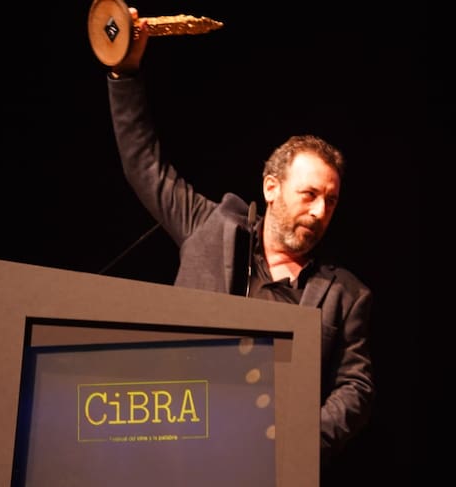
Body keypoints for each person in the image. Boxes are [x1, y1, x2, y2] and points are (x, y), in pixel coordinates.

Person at [106, 7, 375, 468]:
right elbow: (144, 165)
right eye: (309, 194)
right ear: (271, 188)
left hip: (265, 465)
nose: (320, 211)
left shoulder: (346, 295)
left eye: (330, 201)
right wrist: (123, 73)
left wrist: (295, 443)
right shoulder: (208, 226)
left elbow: (356, 388)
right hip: (175, 452)